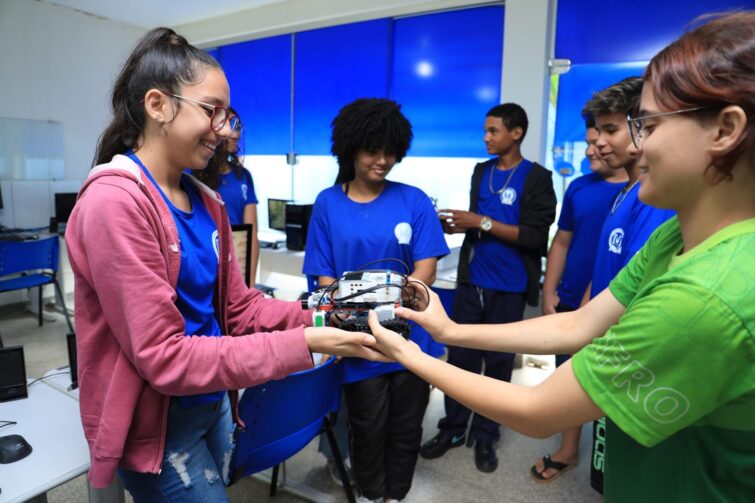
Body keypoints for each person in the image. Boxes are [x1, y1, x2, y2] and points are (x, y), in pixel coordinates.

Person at [370, 11, 755, 501]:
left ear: (725, 130)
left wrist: (407, 352)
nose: (638, 144)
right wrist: (449, 331)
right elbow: (578, 324)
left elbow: (537, 408)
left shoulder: (704, 299)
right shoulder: (677, 239)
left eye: (650, 125)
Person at [65, 28, 384, 502]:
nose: (225, 129)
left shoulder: (207, 201)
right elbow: (165, 358)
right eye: (211, 111)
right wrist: (305, 343)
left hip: (212, 401)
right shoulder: (115, 203)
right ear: (157, 105)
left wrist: (331, 313)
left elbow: (240, 311)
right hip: (159, 427)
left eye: (228, 115)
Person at [303, 97, 449, 502]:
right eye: (373, 150)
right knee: (367, 429)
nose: (382, 160)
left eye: (390, 151)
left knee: (406, 430)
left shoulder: (414, 200)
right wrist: (358, 318)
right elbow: (324, 277)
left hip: (411, 338)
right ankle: (371, 495)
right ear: (351, 147)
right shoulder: (328, 204)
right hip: (359, 343)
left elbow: (426, 272)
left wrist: (392, 308)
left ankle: (395, 496)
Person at [424, 103, 556, 473]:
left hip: (510, 286)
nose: (486, 137)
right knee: (462, 360)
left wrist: (480, 222)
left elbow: (534, 237)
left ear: (516, 133)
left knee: (498, 364)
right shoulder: (481, 171)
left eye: (493, 131)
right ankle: (452, 428)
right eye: (485, 130)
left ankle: (486, 436)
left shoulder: (538, 178)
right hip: (472, 281)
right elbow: (480, 225)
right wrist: (461, 225)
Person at [575, 76, 675, 492]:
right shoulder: (626, 192)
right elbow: (609, 275)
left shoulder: (653, 203)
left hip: (622, 354)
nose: (599, 141)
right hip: (600, 335)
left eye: (611, 129)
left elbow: (633, 299)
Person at [531, 118, 627, 482]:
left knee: (606, 381)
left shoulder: (644, 194)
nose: (592, 148)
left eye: (604, 136)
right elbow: (563, 241)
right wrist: (548, 289)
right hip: (571, 302)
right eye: (589, 140)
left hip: (610, 306)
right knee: (568, 374)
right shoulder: (579, 188)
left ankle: (608, 461)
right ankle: (568, 448)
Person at [193, 107, 260, 282]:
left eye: (237, 127)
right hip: (206, 267)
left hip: (238, 264)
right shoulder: (193, 176)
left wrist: (250, 284)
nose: (235, 134)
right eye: (229, 125)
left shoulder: (243, 177)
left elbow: (252, 234)